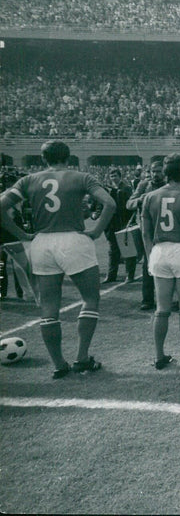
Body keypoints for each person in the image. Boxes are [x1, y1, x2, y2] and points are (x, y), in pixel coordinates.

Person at [0, 141, 116, 378]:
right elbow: (110, 203)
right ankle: (82, 358)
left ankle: (59, 364)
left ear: (43, 159)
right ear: (69, 157)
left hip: (42, 243)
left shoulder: (28, 180)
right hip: (74, 240)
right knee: (90, 299)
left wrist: (21, 234)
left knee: (49, 308)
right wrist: (96, 231)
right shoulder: (81, 177)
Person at [140, 154, 180, 369]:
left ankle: (159, 356)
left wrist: (151, 255)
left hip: (160, 251)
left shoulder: (150, 197)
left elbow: (145, 232)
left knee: (162, 308)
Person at [127, 160, 167, 311]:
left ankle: (171, 299)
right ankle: (147, 299)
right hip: (148, 231)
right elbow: (129, 203)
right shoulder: (144, 185)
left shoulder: (169, 185)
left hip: (165, 229)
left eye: (158, 171)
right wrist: (140, 199)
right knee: (148, 264)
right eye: (153, 171)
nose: (156, 174)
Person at [101, 167, 137, 284]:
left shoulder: (126, 189)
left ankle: (129, 275)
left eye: (115, 176)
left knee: (127, 250)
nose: (113, 178)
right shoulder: (107, 190)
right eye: (111, 176)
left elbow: (130, 206)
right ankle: (111, 275)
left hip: (124, 222)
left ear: (120, 177)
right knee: (113, 251)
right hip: (112, 224)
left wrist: (130, 221)